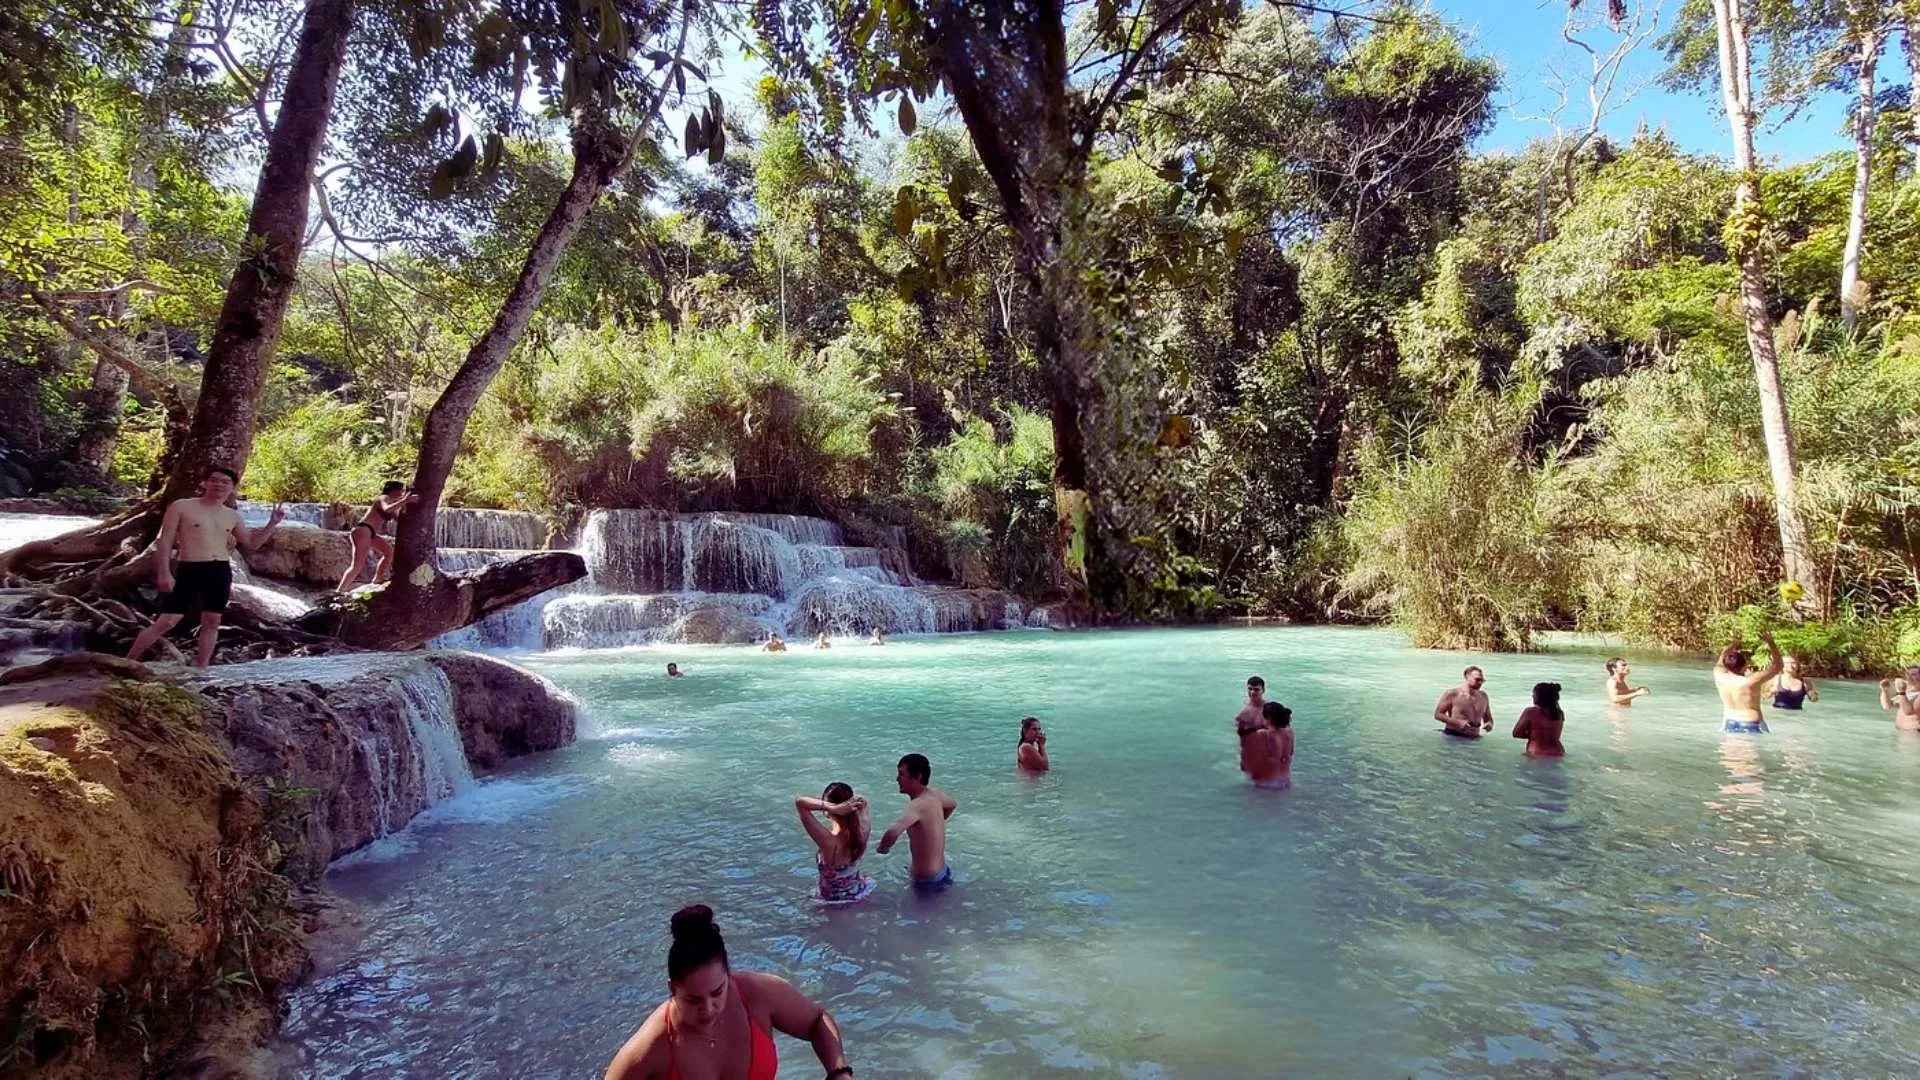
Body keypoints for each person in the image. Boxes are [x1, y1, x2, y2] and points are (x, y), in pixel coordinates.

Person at [603, 904, 852, 1080]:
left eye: (717, 992)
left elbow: (817, 1021)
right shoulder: (648, 1050)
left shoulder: (758, 995)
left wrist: (838, 1072)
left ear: (728, 976)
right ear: (672, 989)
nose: (708, 1008)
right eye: (693, 999)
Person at [125, 467, 283, 669]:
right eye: (214, 480)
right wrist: (163, 572)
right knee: (167, 621)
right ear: (205, 483)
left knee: (212, 621)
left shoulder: (231, 515)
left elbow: (252, 543)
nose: (219, 485)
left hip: (220, 571)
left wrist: (272, 523)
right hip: (190, 568)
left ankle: (202, 669)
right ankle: (127, 661)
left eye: (225, 482)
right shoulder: (182, 506)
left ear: (232, 488)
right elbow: (164, 539)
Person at [876, 753, 956, 891]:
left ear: (918, 777)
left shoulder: (917, 806)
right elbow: (952, 804)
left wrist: (882, 849)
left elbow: (893, 832)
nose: (897, 779)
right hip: (943, 871)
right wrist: (935, 823)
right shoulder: (934, 794)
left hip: (927, 880)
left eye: (901, 774)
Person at [795, 783, 873, 905]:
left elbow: (800, 802)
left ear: (827, 811)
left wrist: (831, 807)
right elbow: (864, 802)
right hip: (858, 892)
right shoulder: (863, 830)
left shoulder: (828, 840)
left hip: (832, 901)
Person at [336, 480, 417, 593]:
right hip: (363, 530)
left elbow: (398, 518)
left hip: (370, 533)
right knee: (357, 565)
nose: (402, 493)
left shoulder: (392, 501)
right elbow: (387, 509)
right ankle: (339, 591)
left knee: (389, 552)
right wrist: (405, 500)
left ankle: (378, 578)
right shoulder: (383, 498)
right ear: (393, 490)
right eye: (400, 491)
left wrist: (405, 504)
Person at [1714, 630, 1781, 733]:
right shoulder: (1751, 681)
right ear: (1745, 666)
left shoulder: (1719, 676)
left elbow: (1722, 657)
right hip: (1751, 723)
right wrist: (1771, 643)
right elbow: (1778, 666)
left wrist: (1734, 643)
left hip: (1729, 722)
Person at [1434, 666, 1493, 738]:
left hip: (1475, 737)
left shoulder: (1483, 696)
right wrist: (1458, 723)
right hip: (1454, 735)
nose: (1480, 682)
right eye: (1477, 679)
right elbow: (1438, 714)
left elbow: (1488, 718)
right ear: (1467, 677)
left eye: (1482, 680)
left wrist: (1489, 724)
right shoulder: (1453, 694)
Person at [1246, 701, 1293, 788]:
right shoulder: (1289, 732)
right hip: (1286, 782)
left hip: (1266, 784)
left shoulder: (1262, 734)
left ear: (1269, 718)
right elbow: (1290, 753)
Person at [1512, 682, 1566, 757]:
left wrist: (1534, 735)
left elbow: (1516, 733)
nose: (1532, 696)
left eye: (1534, 693)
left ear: (1540, 696)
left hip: (1537, 752)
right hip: (1559, 752)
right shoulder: (1559, 714)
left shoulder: (1530, 712)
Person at [1234, 676, 1267, 773]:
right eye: (1250, 689)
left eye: (1256, 689)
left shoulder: (1269, 709)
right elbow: (1241, 738)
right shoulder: (1244, 713)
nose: (1252, 692)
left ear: (1263, 690)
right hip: (1252, 754)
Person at [1878, 667, 1920, 731]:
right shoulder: (1907, 692)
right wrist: (1884, 691)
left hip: (1914, 733)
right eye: (1908, 674)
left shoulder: (1904, 692)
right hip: (1900, 731)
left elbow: (1908, 712)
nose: (1909, 677)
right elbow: (1887, 706)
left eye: (1913, 674)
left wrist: (1901, 691)